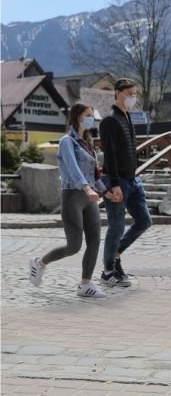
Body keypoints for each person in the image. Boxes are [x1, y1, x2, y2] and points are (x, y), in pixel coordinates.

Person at [29, 104, 115, 298]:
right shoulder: (67, 142)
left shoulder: (88, 144)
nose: (91, 119)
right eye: (88, 115)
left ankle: (85, 285)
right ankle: (39, 263)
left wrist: (106, 192)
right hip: (72, 196)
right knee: (74, 246)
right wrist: (86, 188)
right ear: (77, 116)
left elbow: (94, 175)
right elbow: (73, 168)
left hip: (89, 198)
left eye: (92, 115)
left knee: (94, 241)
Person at [99, 78, 152, 287]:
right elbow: (110, 154)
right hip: (117, 180)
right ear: (117, 94)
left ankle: (116, 253)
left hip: (132, 179)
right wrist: (114, 184)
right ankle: (108, 271)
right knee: (116, 226)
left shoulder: (127, 116)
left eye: (134, 94)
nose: (132, 97)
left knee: (144, 220)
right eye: (129, 94)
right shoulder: (110, 120)